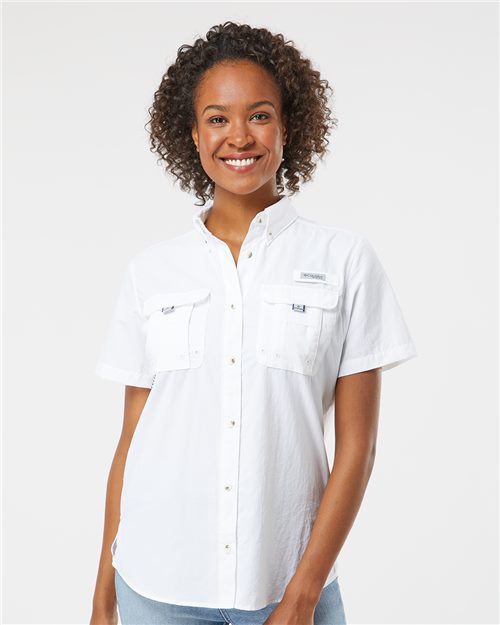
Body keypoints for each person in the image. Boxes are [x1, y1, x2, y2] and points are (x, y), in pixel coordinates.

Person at [90, 21, 417, 625]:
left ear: (288, 124)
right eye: (217, 118)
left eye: (259, 115)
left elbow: (358, 448)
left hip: (289, 586)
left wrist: (302, 597)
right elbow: (131, 441)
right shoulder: (150, 272)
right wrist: (103, 592)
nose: (238, 136)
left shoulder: (345, 261)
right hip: (155, 585)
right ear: (193, 134)